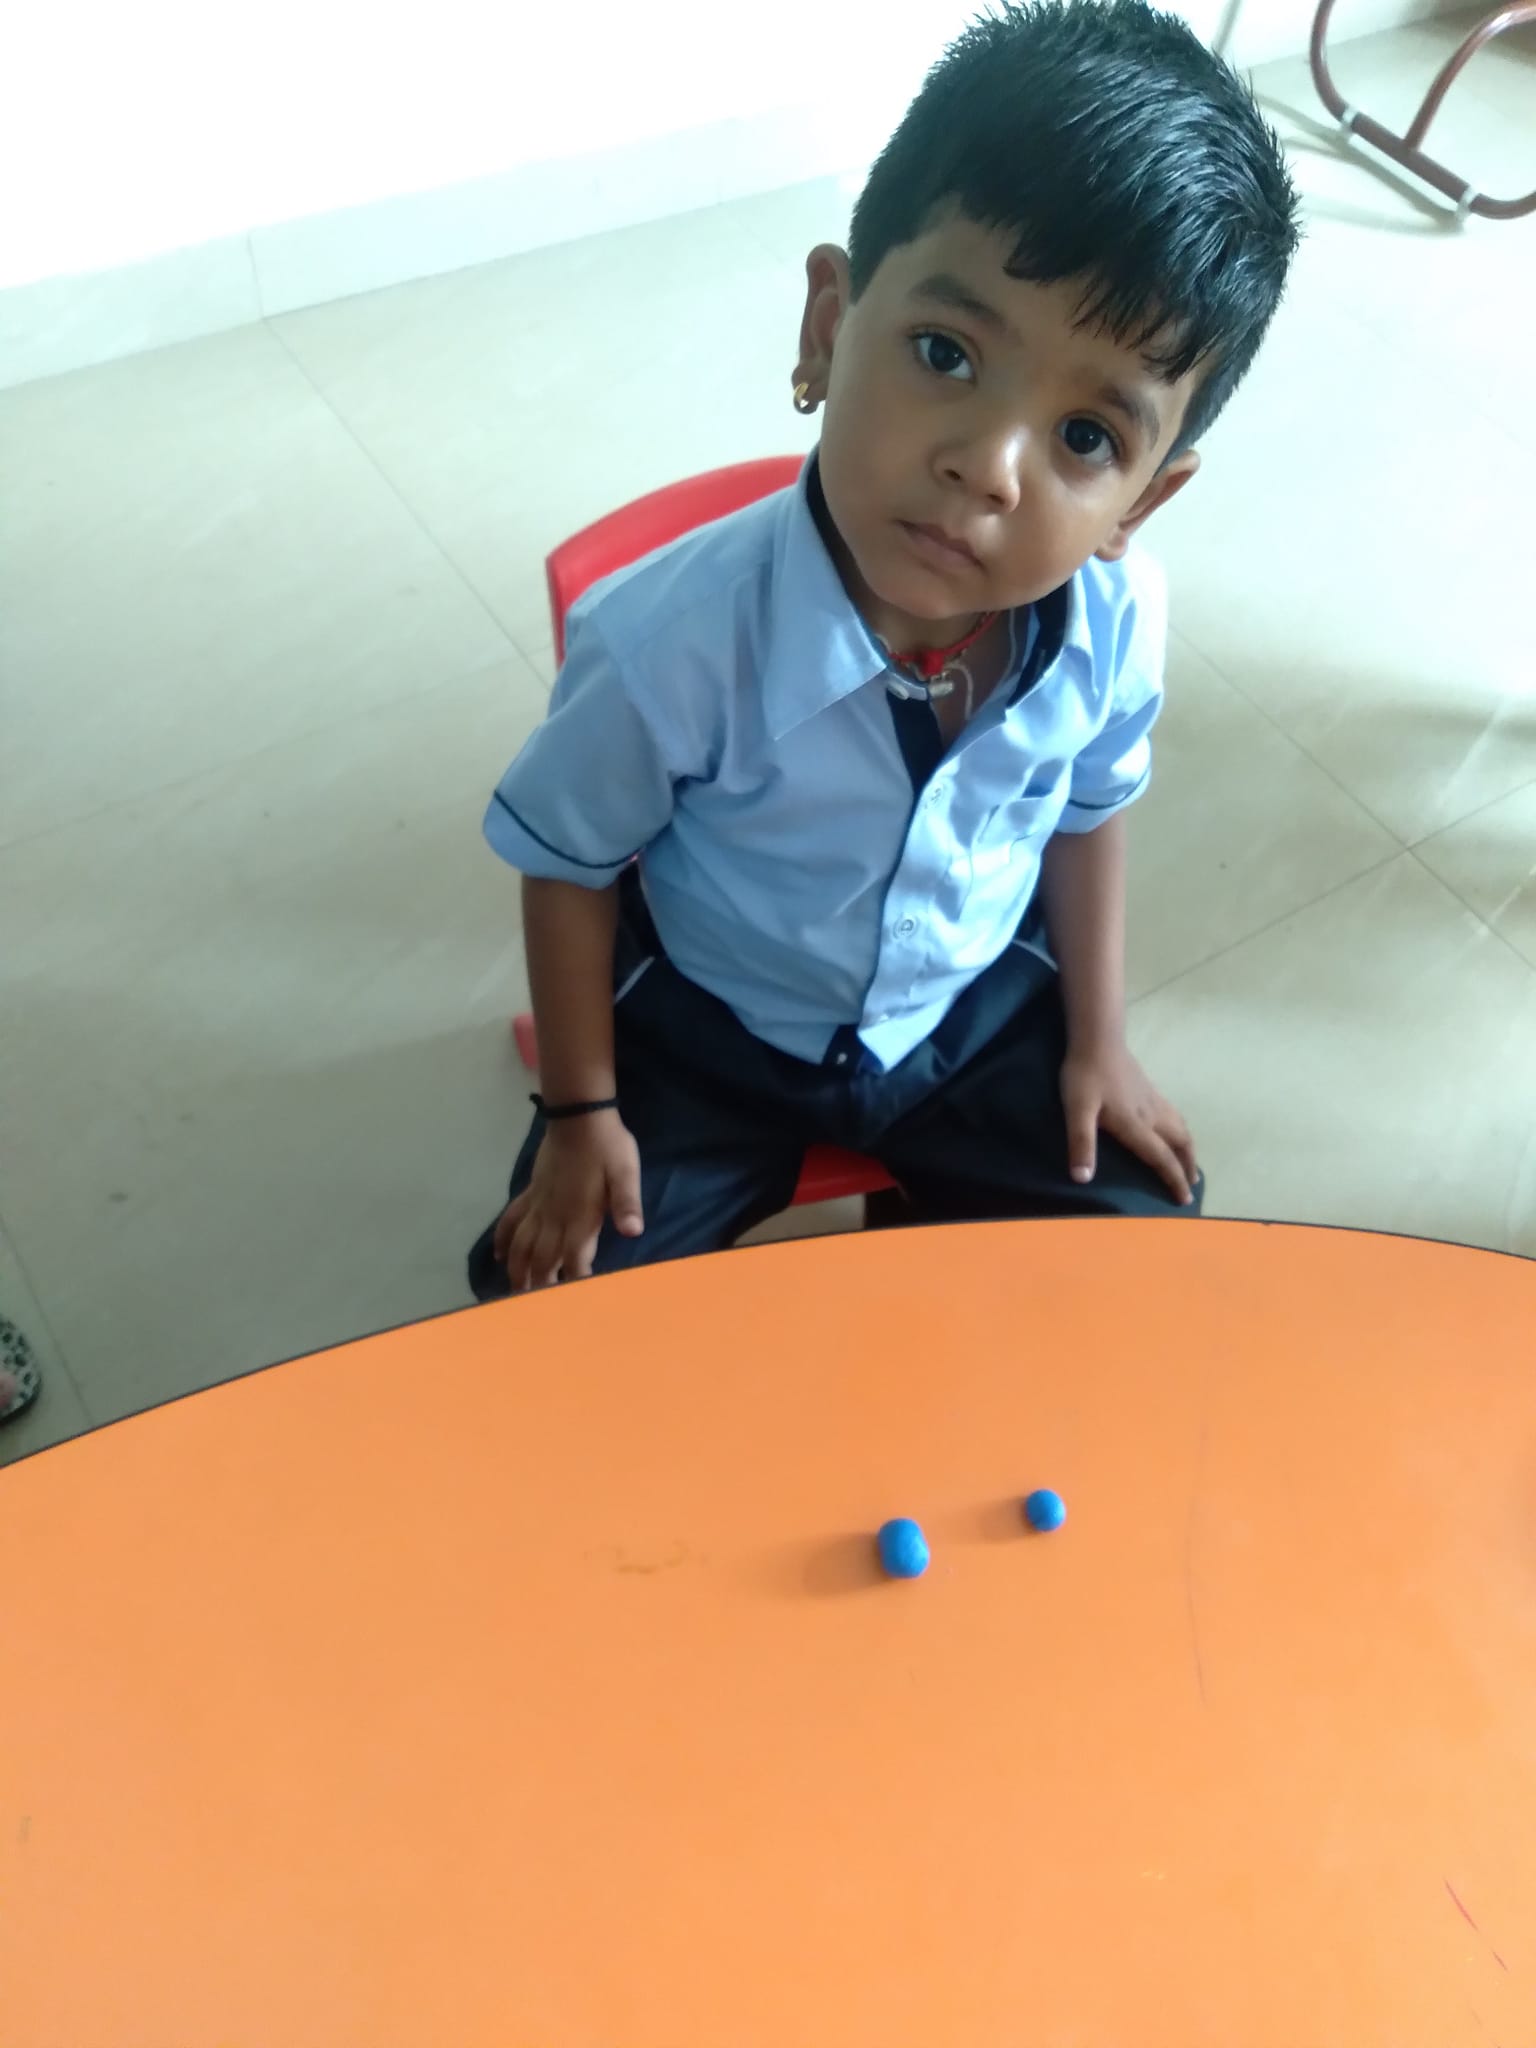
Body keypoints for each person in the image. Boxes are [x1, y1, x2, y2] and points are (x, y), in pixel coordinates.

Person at [469, 0, 1300, 1296]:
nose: (989, 466)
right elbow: (567, 865)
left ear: (1140, 503)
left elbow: (1088, 815)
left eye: (1086, 438)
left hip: (967, 1015)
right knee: (546, 1301)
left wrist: (1099, 1042)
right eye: (944, 352)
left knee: (1144, 1249)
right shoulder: (667, 641)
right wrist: (583, 1114)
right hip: (710, 1019)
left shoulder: (1119, 625)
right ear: (827, 327)